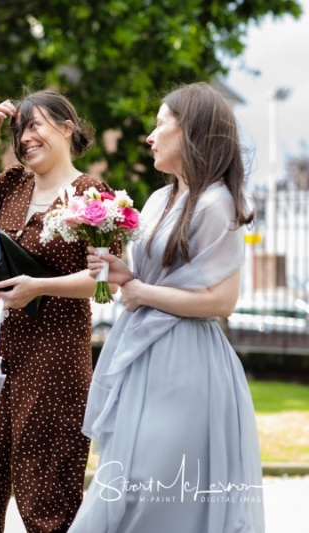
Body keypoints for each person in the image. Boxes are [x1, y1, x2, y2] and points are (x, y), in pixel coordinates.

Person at [69, 82, 264, 532]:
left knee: (156, 493)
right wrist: (117, 270)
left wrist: (142, 294)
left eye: (161, 124)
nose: (150, 136)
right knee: (125, 485)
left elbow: (222, 300)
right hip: (145, 359)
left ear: (191, 132)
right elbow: (139, 281)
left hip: (187, 364)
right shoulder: (160, 200)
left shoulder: (217, 202)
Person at [0, 90, 120, 533]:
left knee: (46, 488)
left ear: (67, 128)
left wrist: (41, 286)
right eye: (19, 131)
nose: (25, 139)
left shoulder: (90, 194)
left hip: (54, 358)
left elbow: (104, 280)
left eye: (35, 126)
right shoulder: (15, 184)